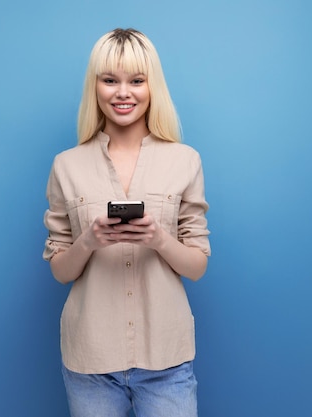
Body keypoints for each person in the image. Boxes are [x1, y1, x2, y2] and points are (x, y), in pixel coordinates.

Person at [42, 28, 211, 417]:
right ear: (95, 86)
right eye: (110, 80)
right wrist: (89, 241)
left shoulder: (185, 160)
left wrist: (158, 239)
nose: (123, 93)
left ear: (152, 86)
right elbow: (60, 272)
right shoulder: (66, 165)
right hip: (90, 359)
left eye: (136, 80)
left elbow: (198, 266)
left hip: (166, 357)